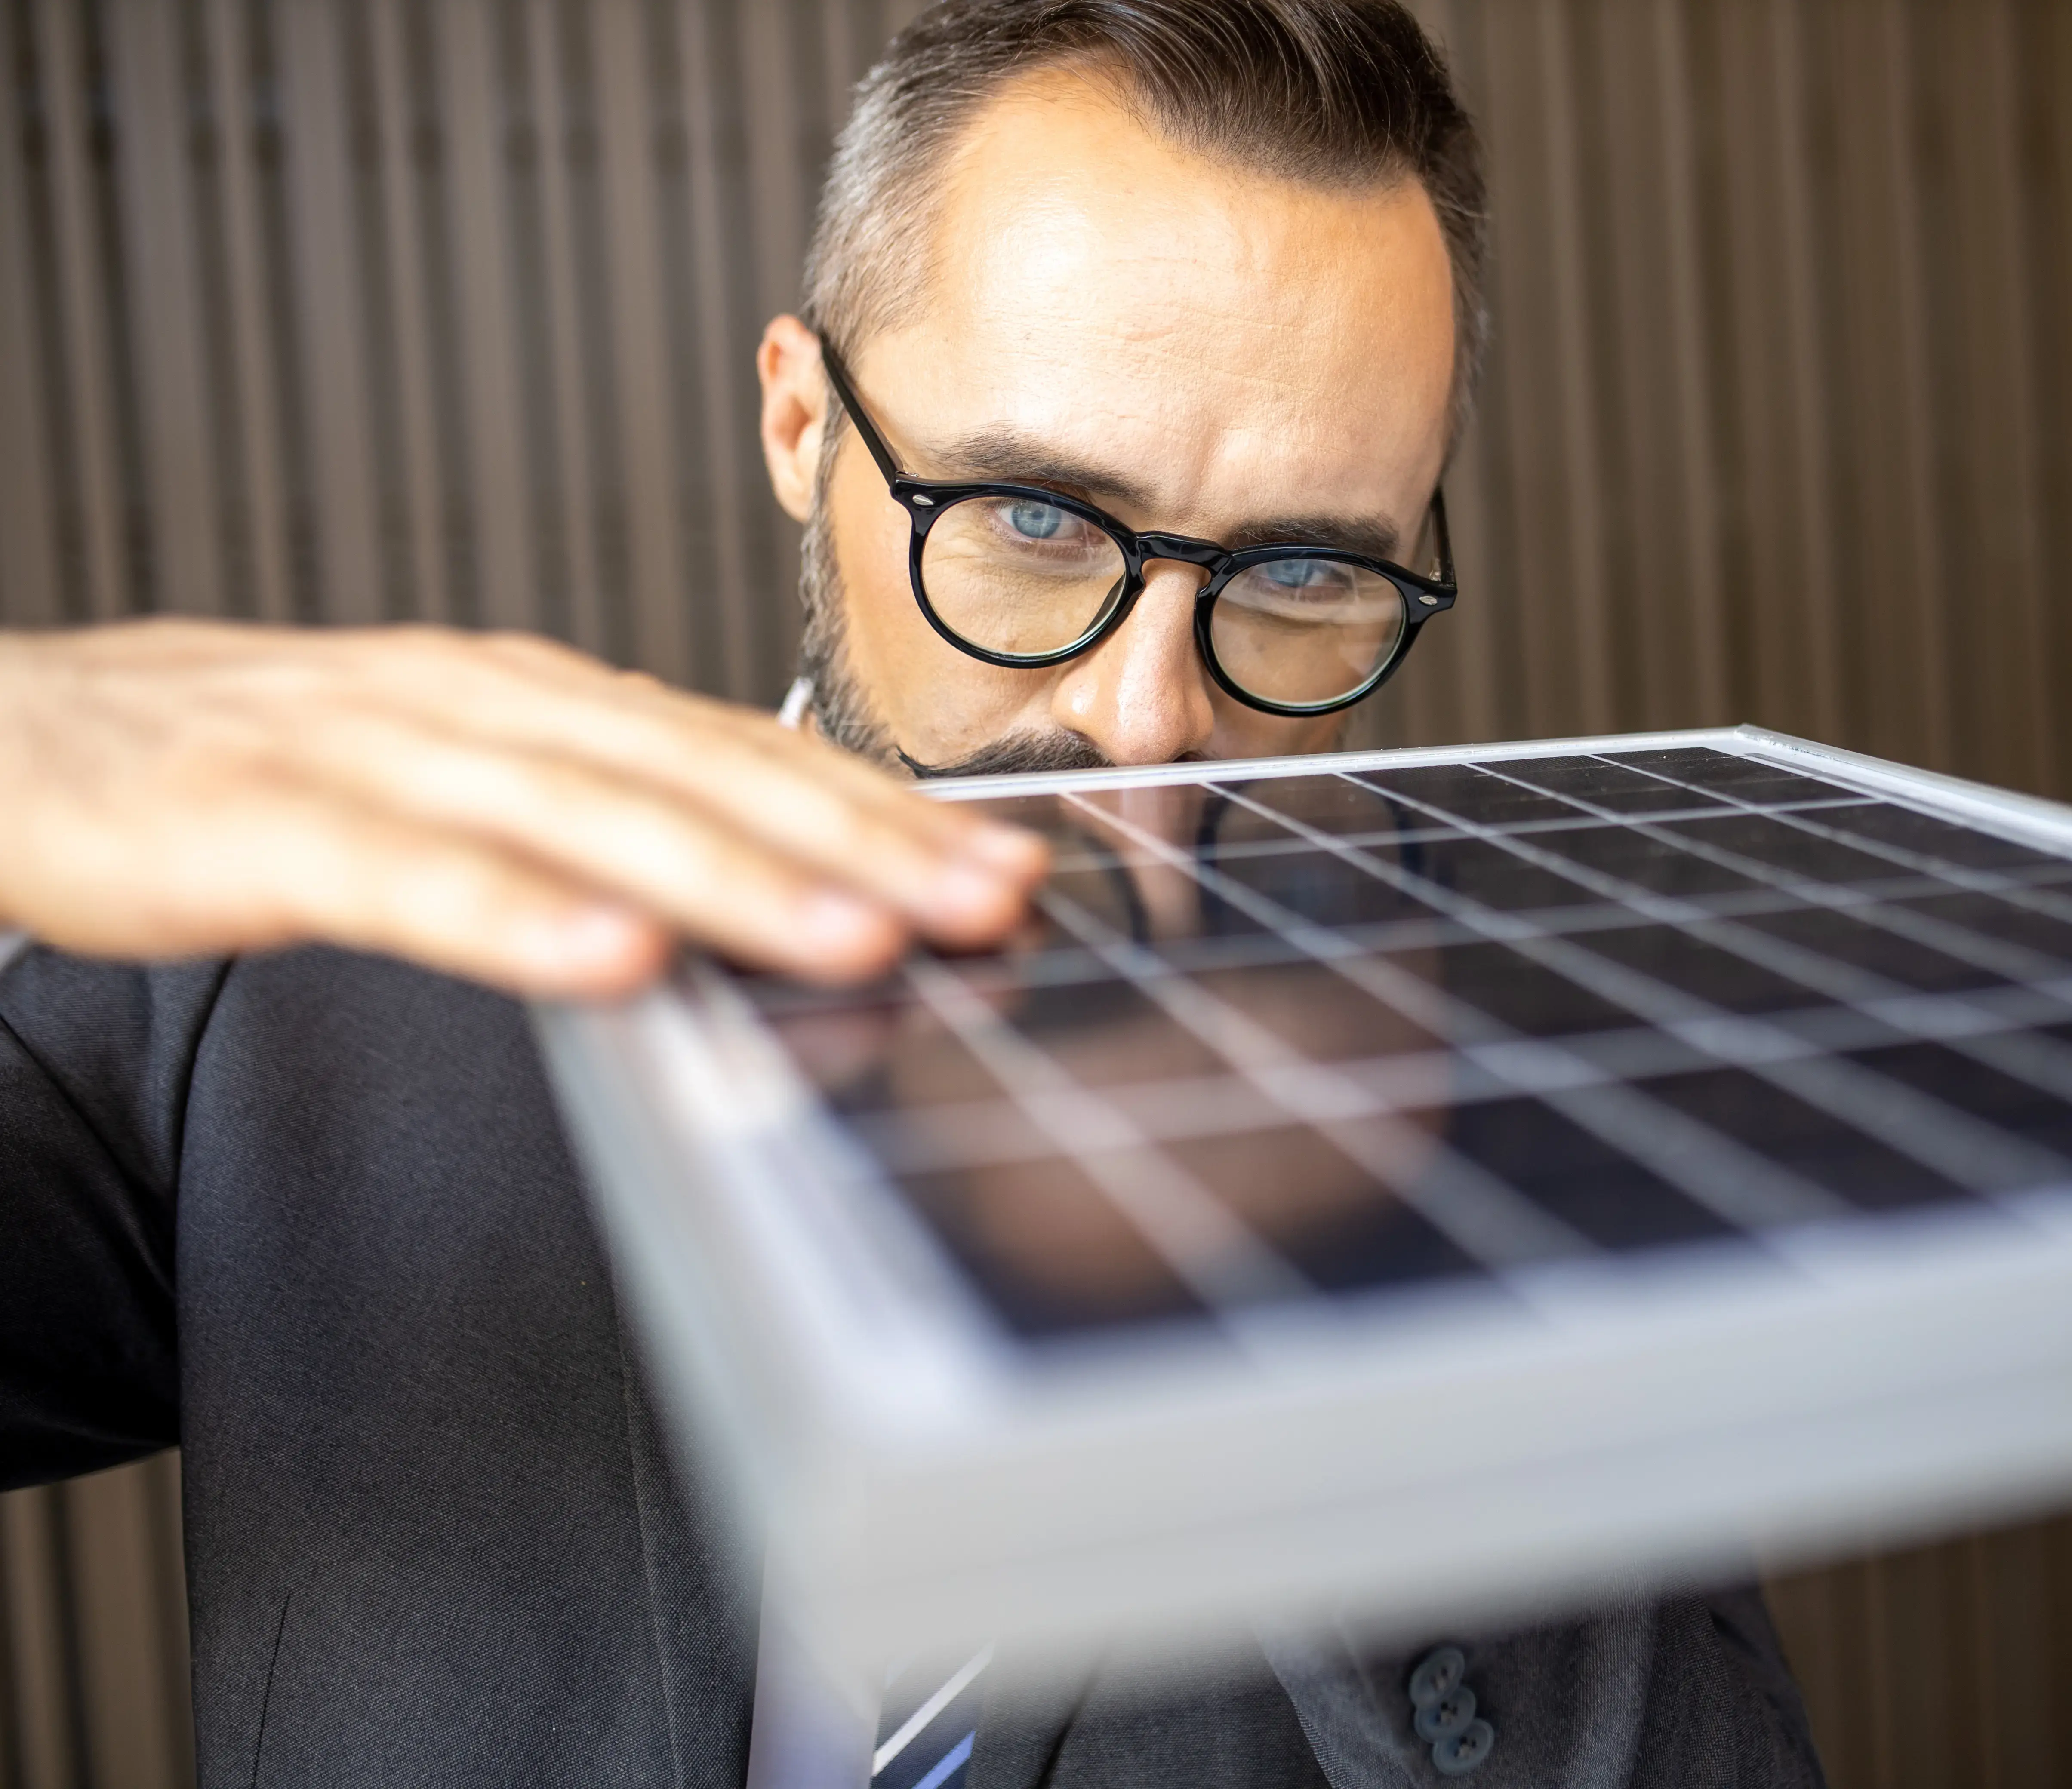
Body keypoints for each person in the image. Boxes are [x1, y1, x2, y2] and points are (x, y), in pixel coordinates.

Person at [0, 3, 1823, 1783]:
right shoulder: (300, 982)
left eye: (1300, 574)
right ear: (803, 425)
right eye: (1036, 522)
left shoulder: (1540, 1131)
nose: (1144, 725)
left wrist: (1358, 1303)